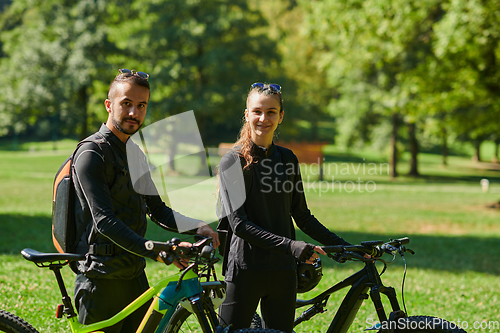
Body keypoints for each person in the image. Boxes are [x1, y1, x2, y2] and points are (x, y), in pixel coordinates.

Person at [72, 68, 219, 333]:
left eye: (141, 106)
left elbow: (157, 209)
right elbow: (104, 221)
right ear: (109, 105)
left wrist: (197, 226)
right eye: (126, 104)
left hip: (134, 275)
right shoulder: (91, 154)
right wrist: (157, 250)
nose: (134, 113)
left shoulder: (135, 153)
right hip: (100, 280)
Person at [217, 82, 356, 333]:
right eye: (257, 111)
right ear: (247, 114)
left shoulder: (287, 158)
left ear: (280, 116)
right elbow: (239, 224)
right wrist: (292, 246)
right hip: (245, 269)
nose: (263, 118)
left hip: (283, 270)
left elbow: (301, 215)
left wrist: (343, 246)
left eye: (271, 112)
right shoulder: (232, 160)